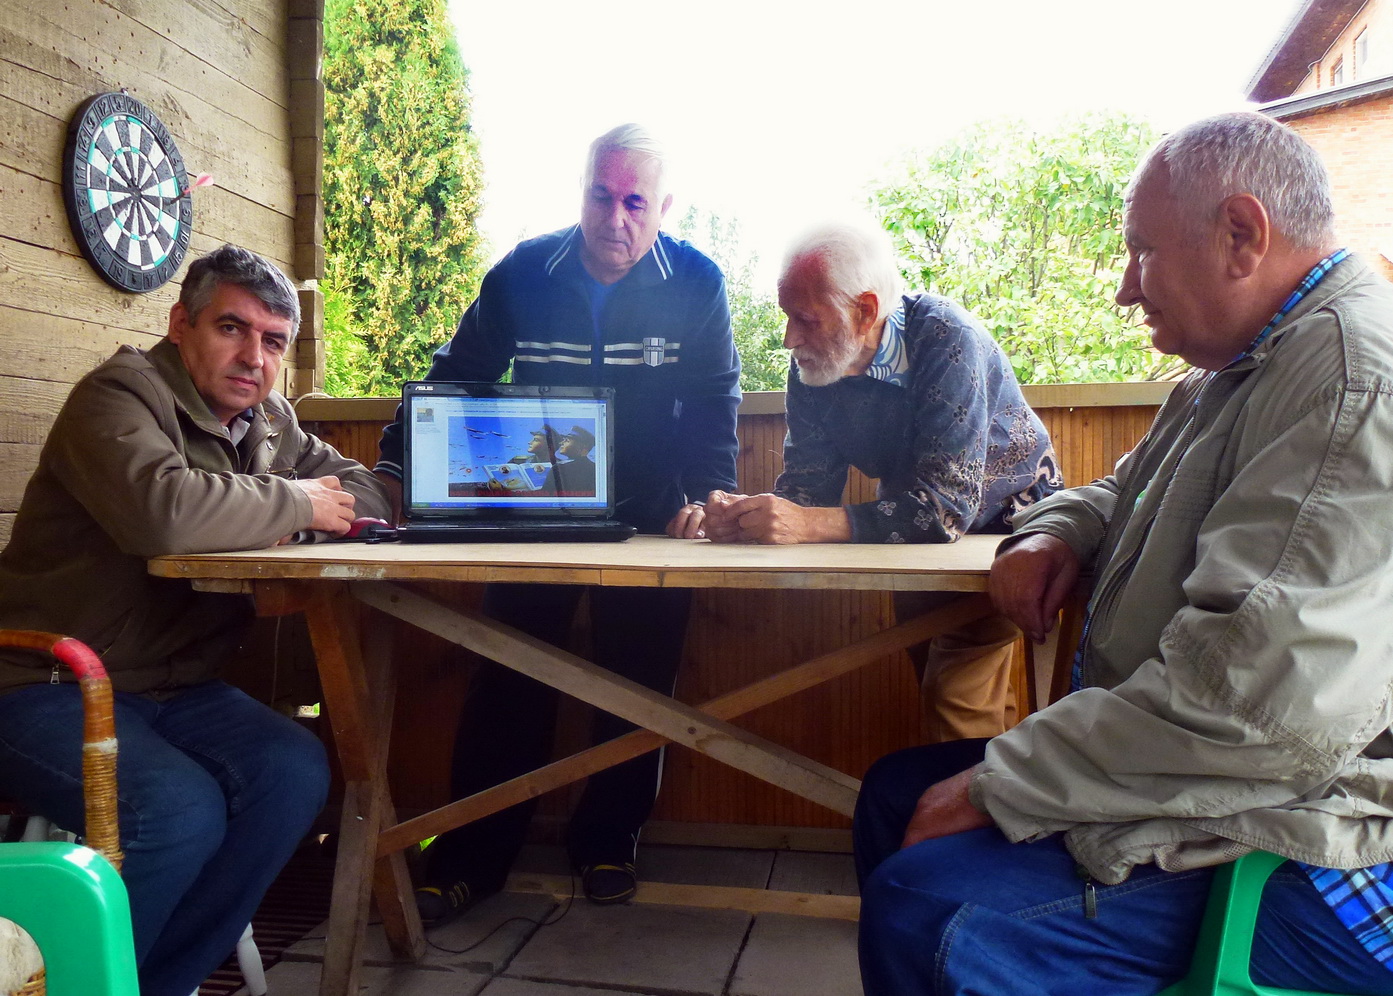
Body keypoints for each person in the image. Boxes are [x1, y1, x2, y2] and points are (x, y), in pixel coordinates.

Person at [854, 111, 1393, 996]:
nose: (1122, 290)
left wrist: (1003, 782)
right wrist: (1052, 530)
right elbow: (1122, 490)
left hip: (1318, 835)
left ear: (1241, 234)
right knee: (891, 792)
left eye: (1141, 251)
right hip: (1228, 776)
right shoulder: (1235, 371)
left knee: (928, 910)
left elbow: (1256, 712)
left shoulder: (1346, 379)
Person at [0, 245, 390, 996]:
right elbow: (166, 512)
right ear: (181, 324)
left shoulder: (268, 421)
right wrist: (295, 506)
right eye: (231, 329)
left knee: (294, 771)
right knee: (177, 811)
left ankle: (154, 983)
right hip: (48, 680)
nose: (253, 358)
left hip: (175, 688)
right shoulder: (119, 396)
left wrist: (287, 515)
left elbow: (365, 491)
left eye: (273, 341)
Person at [374, 123, 740, 917]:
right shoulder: (523, 270)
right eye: (600, 197)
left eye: (635, 203)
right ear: (581, 192)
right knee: (508, 673)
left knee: (638, 681)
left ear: (663, 208)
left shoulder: (697, 282)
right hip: (536, 506)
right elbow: (456, 375)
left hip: (654, 514)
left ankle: (608, 840)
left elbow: (714, 401)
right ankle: (472, 853)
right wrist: (397, 471)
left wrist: (709, 495)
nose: (615, 218)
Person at [704, 222, 1061, 741]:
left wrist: (804, 524)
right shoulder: (815, 367)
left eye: (805, 319)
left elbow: (942, 511)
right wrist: (743, 517)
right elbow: (806, 493)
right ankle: (996, 785)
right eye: (787, 317)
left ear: (865, 311)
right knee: (955, 691)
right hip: (911, 538)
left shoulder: (947, 337)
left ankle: (973, 794)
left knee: (955, 697)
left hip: (1011, 531)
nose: (789, 339)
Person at [544, 424, 598, 495]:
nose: (561, 443)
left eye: (567, 440)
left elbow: (545, 494)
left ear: (583, 446)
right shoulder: (595, 468)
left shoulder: (559, 468)